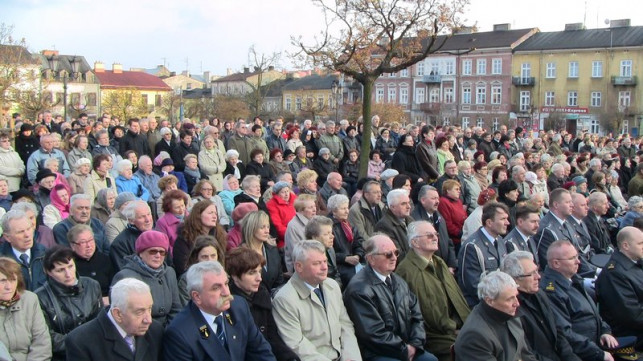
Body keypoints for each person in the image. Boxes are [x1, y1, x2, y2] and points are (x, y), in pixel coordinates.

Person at [344, 234, 438, 361]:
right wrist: (405, 349)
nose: (394, 258)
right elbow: (373, 334)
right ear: (371, 259)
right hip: (377, 352)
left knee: (430, 359)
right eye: (388, 254)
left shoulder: (399, 281)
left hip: (406, 347)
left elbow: (417, 317)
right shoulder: (359, 289)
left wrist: (415, 344)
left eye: (396, 252)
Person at [163, 261, 277, 361]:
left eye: (226, 284)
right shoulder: (180, 333)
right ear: (197, 296)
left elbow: (260, 351)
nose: (226, 292)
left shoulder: (238, 307)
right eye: (216, 288)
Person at [272, 240, 362, 361]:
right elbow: (297, 345)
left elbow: (346, 325)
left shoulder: (332, 286)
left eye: (325, 261)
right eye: (317, 263)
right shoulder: (284, 300)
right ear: (299, 266)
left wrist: (351, 357)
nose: (325, 267)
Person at [396, 221, 470, 361]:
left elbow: (457, 299)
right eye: (429, 235)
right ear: (415, 242)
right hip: (433, 335)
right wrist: (454, 329)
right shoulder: (407, 271)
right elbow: (427, 314)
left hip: (455, 327)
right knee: (469, 350)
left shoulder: (439, 262)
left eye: (436, 234)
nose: (435, 237)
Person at [541, 240, 619, 361]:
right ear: (556, 263)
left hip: (595, 345)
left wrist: (605, 331)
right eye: (572, 258)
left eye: (577, 256)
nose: (578, 261)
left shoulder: (573, 279)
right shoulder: (552, 291)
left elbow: (592, 312)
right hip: (582, 354)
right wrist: (598, 354)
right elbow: (565, 333)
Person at [501, 251, 581, 361]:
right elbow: (525, 352)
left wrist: (571, 358)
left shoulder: (540, 294)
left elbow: (557, 331)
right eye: (531, 274)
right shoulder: (511, 307)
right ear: (515, 280)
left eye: (537, 271)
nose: (538, 277)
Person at [226, 247, 301, 361]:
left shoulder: (262, 293)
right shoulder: (229, 305)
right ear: (235, 276)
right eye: (252, 273)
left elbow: (272, 336)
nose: (259, 278)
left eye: (259, 271)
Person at [64, 278, 164, 361]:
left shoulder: (155, 331)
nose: (148, 320)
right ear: (118, 314)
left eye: (149, 309)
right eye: (140, 312)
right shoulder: (80, 342)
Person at [35, 246, 103, 361]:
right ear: (48, 272)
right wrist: (79, 344)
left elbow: (100, 321)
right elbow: (47, 336)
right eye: (60, 270)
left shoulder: (92, 285)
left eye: (70, 266)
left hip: (94, 350)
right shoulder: (40, 297)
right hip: (63, 355)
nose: (68, 274)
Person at [454, 270, 537, 361]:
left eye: (516, 296)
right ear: (490, 301)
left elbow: (526, 354)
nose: (517, 303)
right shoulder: (475, 336)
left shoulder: (509, 313)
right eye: (509, 299)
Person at [112, 230, 181, 327]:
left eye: (162, 252)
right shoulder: (125, 277)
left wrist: (171, 332)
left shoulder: (169, 273)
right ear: (140, 253)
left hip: (169, 330)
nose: (158, 256)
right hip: (140, 331)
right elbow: (125, 316)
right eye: (153, 251)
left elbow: (176, 309)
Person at [596, 227, 643, 350]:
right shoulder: (615, 274)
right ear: (626, 246)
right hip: (632, 335)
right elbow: (632, 316)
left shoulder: (635, 262)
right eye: (640, 243)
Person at [457, 202, 510, 307]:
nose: (507, 223)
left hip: (500, 300)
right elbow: (473, 286)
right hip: (481, 305)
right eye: (503, 219)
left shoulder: (499, 240)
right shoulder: (472, 247)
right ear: (489, 222)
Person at [0, 257, 52, 361]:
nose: (9, 287)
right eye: (2, 281)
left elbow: (42, 343)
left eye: (13, 280)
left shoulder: (30, 300)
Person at [173, 199, 226, 276]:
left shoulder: (219, 235)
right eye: (210, 213)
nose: (214, 216)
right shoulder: (184, 238)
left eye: (215, 213)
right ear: (198, 215)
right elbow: (183, 267)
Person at [410, 185, 457, 271]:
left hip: (445, 268)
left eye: (438, 199)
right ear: (423, 200)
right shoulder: (415, 221)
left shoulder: (439, 217)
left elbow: (448, 241)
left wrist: (451, 265)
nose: (437, 202)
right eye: (433, 198)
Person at [0, 210, 47, 291]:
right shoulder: (2, 261)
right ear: (7, 237)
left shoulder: (46, 254)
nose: (27, 235)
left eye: (29, 229)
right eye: (20, 232)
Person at [240, 210, 284, 292]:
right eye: (262, 227)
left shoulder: (273, 250)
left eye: (268, 227)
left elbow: (279, 279)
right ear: (251, 228)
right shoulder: (241, 254)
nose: (267, 231)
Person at [327, 194, 364, 286]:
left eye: (347, 208)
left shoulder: (348, 224)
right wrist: (345, 258)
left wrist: (358, 255)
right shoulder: (328, 227)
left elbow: (359, 243)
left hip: (354, 262)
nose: (347, 211)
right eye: (343, 209)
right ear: (334, 211)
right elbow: (328, 252)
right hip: (339, 266)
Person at [177, 235, 224, 305]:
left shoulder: (224, 276)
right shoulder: (186, 280)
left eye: (213, 256)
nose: (209, 261)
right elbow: (185, 307)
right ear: (196, 258)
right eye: (205, 257)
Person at [110, 200, 155, 271]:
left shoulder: (158, 236)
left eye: (149, 214)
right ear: (131, 221)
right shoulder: (120, 244)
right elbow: (125, 271)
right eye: (142, 217)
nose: (148, 220)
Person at [374, 189, 414, 262]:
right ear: (392, 207)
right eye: (403, 204)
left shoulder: (410, 220)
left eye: (409, 203)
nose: (409, 206)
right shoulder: (384, 226)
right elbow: (397, 255)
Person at [348, 180, 386, 245]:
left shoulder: (382, 206)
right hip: (369, 248)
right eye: (375, 192)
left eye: (380, 192)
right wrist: (377, 246)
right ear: (366, 194)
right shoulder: (355, 210)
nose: (379, 195)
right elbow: (361, 236)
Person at [266, 181, 297, 249]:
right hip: (285, 240)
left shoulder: (295, 200)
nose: (286, 194)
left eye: (287, 191)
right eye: (283, 192)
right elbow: (278, 226)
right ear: (277, 194)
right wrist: (293, 235)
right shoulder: (272, 205)